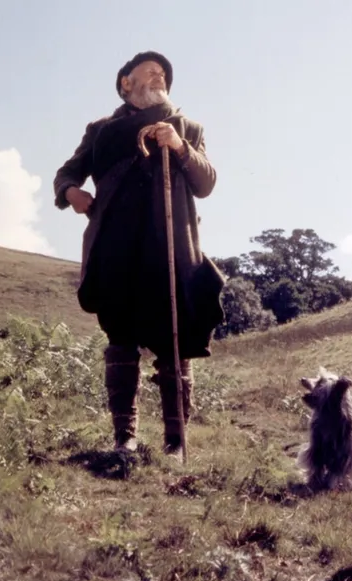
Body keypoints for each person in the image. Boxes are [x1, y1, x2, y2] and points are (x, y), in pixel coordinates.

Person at [53, 50, 226, 462]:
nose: (159, 74)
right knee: (121, 339)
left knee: (174, 341)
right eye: (148, 70)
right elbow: (68, 173)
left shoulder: (188, 127)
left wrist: (180, 147)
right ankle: (124, 438)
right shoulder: (100, 132)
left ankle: (175, 443)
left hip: (170, 248)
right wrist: (71, 193)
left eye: (163, 73)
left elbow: (206, 183)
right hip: (115, 246)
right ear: (125, 82)